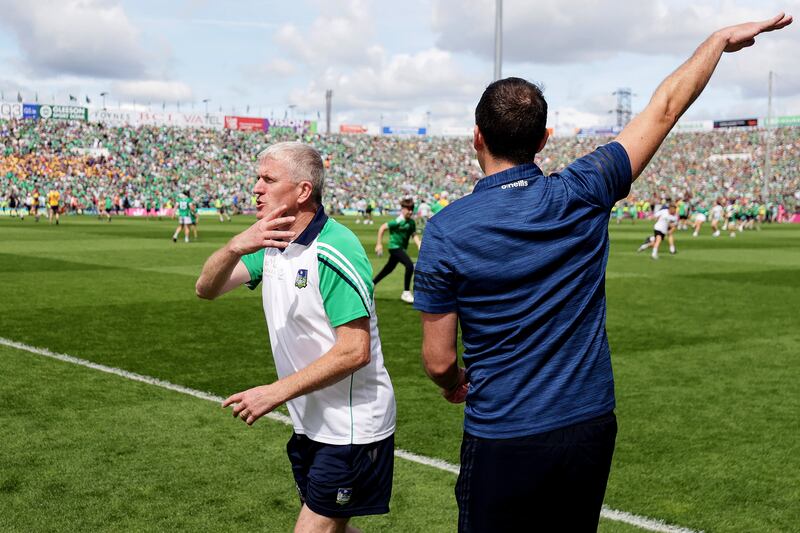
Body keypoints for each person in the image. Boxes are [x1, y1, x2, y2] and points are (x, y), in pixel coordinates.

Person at [411, 13, 791, 533]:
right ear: (545, 138)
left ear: (475, 136)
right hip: (588, 423)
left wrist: (454, 383)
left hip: (505, 428)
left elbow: (438, 361)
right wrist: (717, 42)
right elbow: (665, 106)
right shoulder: (583, 189)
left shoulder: (447, 229)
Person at [195, 142, 396, 533]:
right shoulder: (270, 242)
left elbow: (355, 351)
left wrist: (275, 392)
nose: (256, 188)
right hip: (310, 423)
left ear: (303, 191)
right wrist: (236, 245)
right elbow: (207, 288)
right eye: (257, 178)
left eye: (268, 179)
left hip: (350, 427)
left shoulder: (334, 248)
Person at [373, 198, 421, 304]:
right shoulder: (398, 221)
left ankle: (370, 286)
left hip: (401, 248)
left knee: (388, 269)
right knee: (409, 265)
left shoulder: (411, 222)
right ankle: (406, 292)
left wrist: (419, 244)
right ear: (402, 209)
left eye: (411, 209)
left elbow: (413, 234)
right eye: (408, 209)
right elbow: (382, 228)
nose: (410, 211)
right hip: (394, 247)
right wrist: (379, 244)